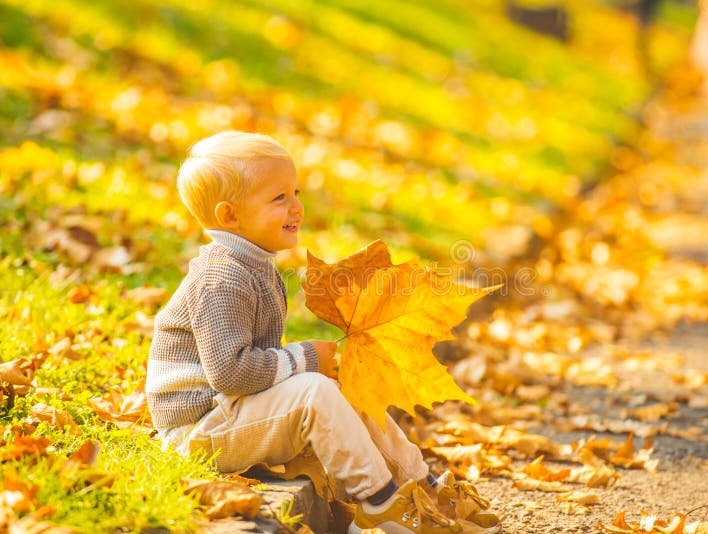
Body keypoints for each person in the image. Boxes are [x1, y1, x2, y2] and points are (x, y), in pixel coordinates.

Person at [144, 131, 501, 533]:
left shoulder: (252, 264)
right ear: (230, 216)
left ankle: (423, 487)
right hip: (199, 428)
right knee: (316, 391)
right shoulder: (221, 277)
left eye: (294, 192)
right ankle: (381, 502)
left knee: (348, 385)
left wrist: (310, 366)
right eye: (279, 198)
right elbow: (229, 373)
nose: (296, 206)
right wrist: (306, 359)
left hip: (231, 411)